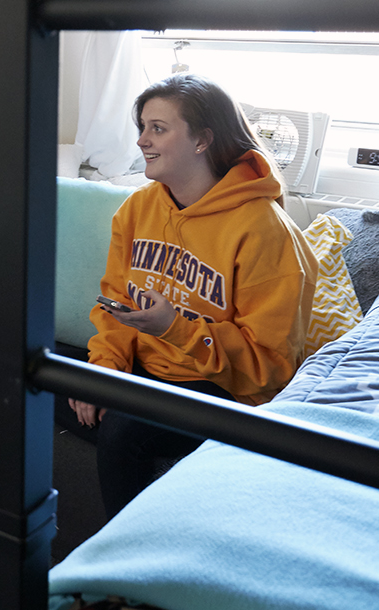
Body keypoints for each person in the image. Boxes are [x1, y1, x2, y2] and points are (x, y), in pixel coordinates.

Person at [69, 73, 317, 518]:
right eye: (141, 127)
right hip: (145, 371)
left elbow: (270, 368)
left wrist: (176, 329)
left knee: (123, 428)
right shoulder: (138, 208)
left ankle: (127, 572)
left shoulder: (265, 231)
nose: (142, 140)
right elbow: (113, 306)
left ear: (203, 140)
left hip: (223, 391)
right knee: (29, 368)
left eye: (158, 129)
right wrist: (101, 374)